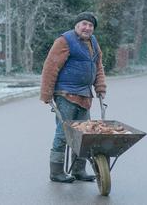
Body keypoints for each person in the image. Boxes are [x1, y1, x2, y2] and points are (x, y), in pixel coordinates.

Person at [40, 12, 107, 183]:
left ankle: (78, 170)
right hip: (65, 95)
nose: (87, 28)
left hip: (85, 95)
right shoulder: (65, 40)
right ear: (76, 25)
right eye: (84, 24)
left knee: (84, 134)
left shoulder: (93, 42)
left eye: (91, 25)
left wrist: (100, 87)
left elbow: (98, 66)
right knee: (64, 134)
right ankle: (56, 172)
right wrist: (46, 93)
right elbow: (51, 66)